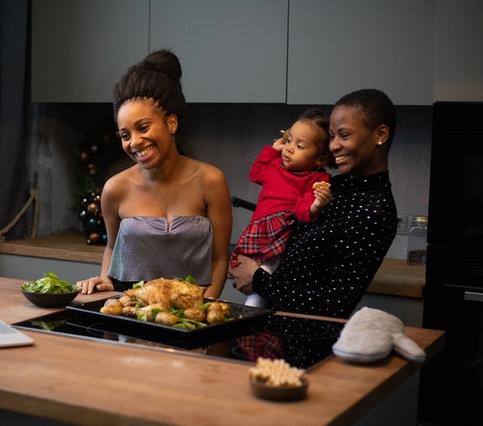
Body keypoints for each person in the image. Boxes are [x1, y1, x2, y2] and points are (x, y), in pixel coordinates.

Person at [76, 50, 232, 299]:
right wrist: (104, 280)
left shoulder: (211, 181)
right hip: (131, 314)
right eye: (125, 135)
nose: (135, 142)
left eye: (143, 127)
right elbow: (111, 247)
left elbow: (220, 257)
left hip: (193, 318)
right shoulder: (115, 189)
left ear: (171, 122)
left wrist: (203, 309)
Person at [229, 88, 398, 318]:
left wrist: (258, 280)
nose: (333, 146)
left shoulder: (375, 211)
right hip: (273, 332)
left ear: (380, 134)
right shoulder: (332, 185)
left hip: (306, 344)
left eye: (344, 135)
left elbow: (333, 307)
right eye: (331, 136)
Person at [231, 108, 333, 307]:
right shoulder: (276, 165)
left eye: (300, 146)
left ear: (320, 160)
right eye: (288, 140)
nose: (289, 148)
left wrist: (316, 205)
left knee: (267, 268)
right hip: (260, 229)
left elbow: (303, 210)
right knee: (247, 265)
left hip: (282, 232)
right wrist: (272, 149)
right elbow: (256, 173)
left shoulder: (317, 178)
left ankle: (252, 307)